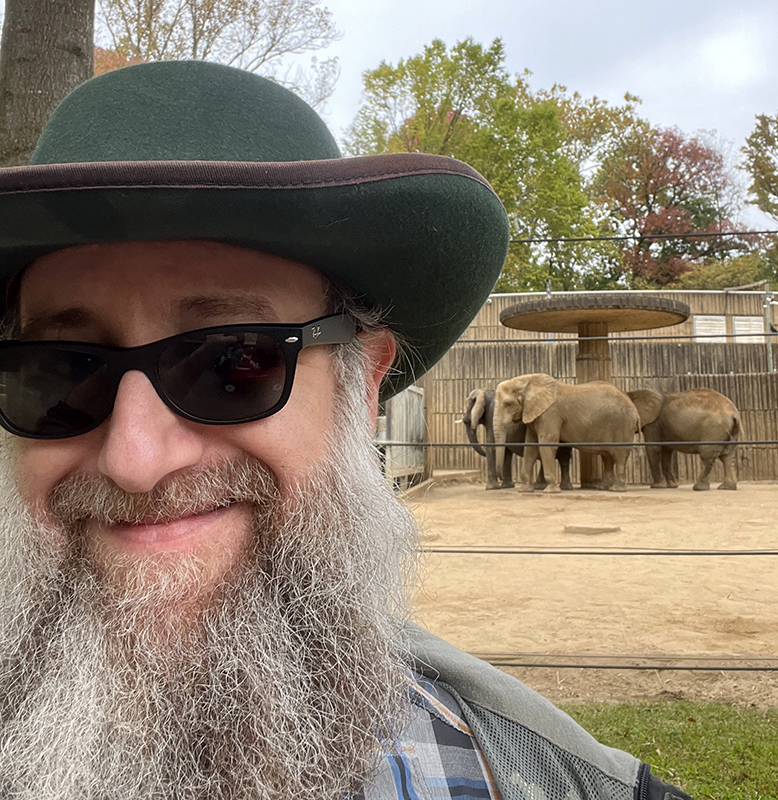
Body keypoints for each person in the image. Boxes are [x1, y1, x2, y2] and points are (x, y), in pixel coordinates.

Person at [0, 61, 693, 800]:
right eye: (64, 369)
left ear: (361, 387)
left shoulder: (561, 783)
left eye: (235, 361)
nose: (134, 459)